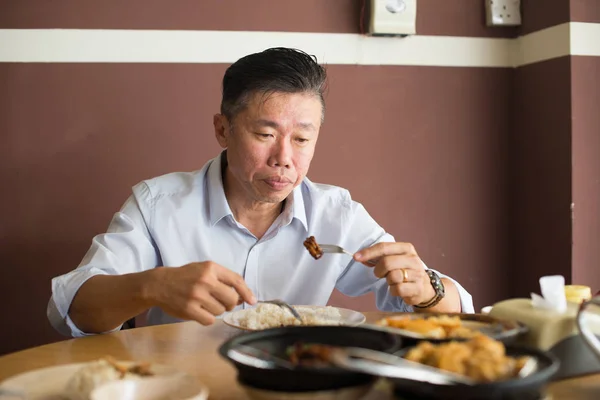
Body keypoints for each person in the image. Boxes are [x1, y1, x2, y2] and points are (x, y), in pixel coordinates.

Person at [47, 47, 474, 337]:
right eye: (265, 133)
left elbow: (456, 315)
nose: (284, 158)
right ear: (223, 129)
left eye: (302, 139)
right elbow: (70, 309)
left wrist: (429, 289)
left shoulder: (335, 214)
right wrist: (153, 286)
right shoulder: (159, 205)